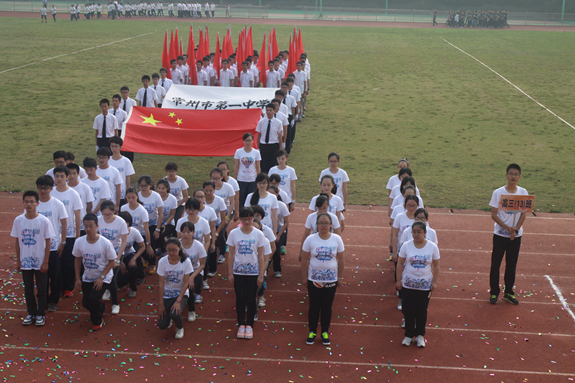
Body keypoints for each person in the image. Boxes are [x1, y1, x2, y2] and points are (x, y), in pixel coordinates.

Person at [301, 212, 345, 346]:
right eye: (321, 223)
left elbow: (341, 259)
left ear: (331, 225)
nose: (324, 226)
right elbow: (304, 259)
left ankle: (325, 331)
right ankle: (312, 331)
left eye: (326, 223)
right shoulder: (310, 239)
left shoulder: (337, 239)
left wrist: (340, 277)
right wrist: (304, 277)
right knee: (314, 306)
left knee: (327, 306)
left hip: (331, 279)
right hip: (314, 279)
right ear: (317, 225)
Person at [11, 191, 54, 326]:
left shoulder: (44, 221)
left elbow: (48, 242)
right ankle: (31, 312)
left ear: (37, 203)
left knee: (42, 289)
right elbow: (17, 241)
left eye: (32, 202)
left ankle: (40, 314)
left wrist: (46, 261)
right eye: (26, 202)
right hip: (25, 261)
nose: (29, 204)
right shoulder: (19, 220)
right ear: (23, 203)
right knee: (28, 289)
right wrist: (18, 260)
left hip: (40, 260)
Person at [396, 221, 440, 347]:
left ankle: (420, 335)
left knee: (421, 311)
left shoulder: (432, 247)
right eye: (414, 232)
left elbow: (436, 266)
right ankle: (409, 335)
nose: (416, 234)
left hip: (425, 285)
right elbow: (400, 264)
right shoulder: (406, 246)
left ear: (425, 232)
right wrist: (398, 281)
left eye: (419, 232)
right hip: (408, 284)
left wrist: (435, 282)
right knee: (408, 310)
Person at [489, 164, 528, 305]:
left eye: (516, 174)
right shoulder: (498, 193)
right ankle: (494, 293)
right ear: (506, 175)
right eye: (510, 173)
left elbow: (524, 214)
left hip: (516, 236)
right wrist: (507, 228)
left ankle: (509, 293)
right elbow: (494, 215)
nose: (513, 176)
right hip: (500, 235)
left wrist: (516, 229)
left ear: (519, 177)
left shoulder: (523, 192)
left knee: (511, 265)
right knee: (495, 264)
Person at [227, 207, 266, 340]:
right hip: (238, 272)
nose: (247, 221)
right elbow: (231, 254)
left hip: (253, 272)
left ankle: (249, 324)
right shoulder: (233, 233)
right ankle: (241, 324)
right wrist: (230, 273)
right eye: (244, 219)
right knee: (240, 299)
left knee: (251, 299)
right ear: (241, 219)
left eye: (249, 218)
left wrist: (261, 275)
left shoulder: (258, 234)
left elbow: (261, 256)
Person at [73, 214, 117, 331]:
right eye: (86, 226)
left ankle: (97, 321)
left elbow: (112, 261)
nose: (88, 229)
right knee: (86, 303)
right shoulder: (79, 242)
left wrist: (102, 277)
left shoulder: (105, 243)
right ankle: (100, 307)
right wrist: (77, 278)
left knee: (92, 299)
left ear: (97, 226)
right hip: (88, 277)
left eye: (91, 226)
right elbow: (77, 259)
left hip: (104, 277)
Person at [49, 166, 83, 304]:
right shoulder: (52, 194)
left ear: (67, 177)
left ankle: (69, 286)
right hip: (55, 234)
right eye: (57, 176)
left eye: (62, 176)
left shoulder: (73, 194)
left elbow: (78, 215)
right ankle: (59, 286)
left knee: (68, 261)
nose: (59, 179)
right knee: (57, 262)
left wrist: (77, 235)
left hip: (69, 234)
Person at [157, 238, 192, 339]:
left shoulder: (186, 261)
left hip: (181, 293)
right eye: (169, 250)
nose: (171, 252)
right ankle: (169, 318)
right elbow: (161, 283)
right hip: (167, 294)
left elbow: (186, 282)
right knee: (162, 325)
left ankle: (180, 327)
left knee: (175, 313)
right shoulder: (162, 262)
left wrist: (179, 300)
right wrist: (161, 303)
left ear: (179, 249)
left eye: (174, 250)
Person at [98, 200, 128, 314]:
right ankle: (107, 289)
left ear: (114, 212)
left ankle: (115, 303)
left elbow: (124, 242)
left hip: (116, 251)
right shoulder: (99, 220)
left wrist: (117, 258)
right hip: (103, 252)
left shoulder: (121, 222)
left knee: (112, 278)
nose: (107, 217)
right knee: (104, 275)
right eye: (104, 214)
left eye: (109, 214)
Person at [391, 195, 420, 311]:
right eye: (409, 205)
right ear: (405, 205)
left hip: (415, 253)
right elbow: (394, 234)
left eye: (414, 205)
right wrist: (394, 251)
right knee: (402, 275)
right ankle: (401, 298)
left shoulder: (419, 218)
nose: (411, 208)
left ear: (417, 206)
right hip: (402, 251)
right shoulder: (400, 217)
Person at [179, 221, 206, 322]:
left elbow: (202, 264)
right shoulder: (177, 244)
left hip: (195, 271)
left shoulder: (198, 245)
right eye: (183, 232)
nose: (186, 235)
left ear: (193, 233)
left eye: (189, 232)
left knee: (189, 286)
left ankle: (191, 310)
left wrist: (192, 277)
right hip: (181, 272)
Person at [137, 175, 164, 274]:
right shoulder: (138, 196)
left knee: (151, 243)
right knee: (141, 243)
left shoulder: (156, 196)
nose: (143, 188)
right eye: (141, 186)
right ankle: (146, 259)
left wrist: (157, 229)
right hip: (141, 224)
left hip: (152, 223)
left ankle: (152, 263)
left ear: (150, 185)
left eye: (145, 186)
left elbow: (160, 214)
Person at [116, 212, 145, 297]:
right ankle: (109, 288)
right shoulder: (115, 233)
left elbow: (143, 247)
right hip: (116, 255)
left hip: (128, 253)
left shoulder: (134, 232)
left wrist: (134, 258)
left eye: (126, 222)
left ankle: (132, 287)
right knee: (120, 276)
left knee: (133, 267)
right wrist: (121, 263)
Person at [202, 181, 227, 278]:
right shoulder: (200, 200)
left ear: (214, 190)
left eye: (210, 190)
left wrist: (216, 234)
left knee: (214, 243)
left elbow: (223, 220)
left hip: (217, 225)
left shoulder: (219, 200)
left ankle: (212, 268)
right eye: (206, 190)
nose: (208, 193)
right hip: (204, 226)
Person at [267, 185, 289, 278]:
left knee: (275, 249)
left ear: (277, 195)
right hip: (267, 230)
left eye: (273, 194)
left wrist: (278, 235)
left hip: (279, 231)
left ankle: (277, 269)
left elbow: (286, 223)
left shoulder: (282, 205)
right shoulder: (264, 205)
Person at [234, 133, 261, 208]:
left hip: (252, 179)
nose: (248, 142)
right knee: (241, 198)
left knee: (251, 199)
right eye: (246, 140)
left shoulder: (256, 152)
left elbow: (258, 167)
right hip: (241, 179)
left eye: (249, 140)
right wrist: (234, 179)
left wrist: (259, 179)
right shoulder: (238, 152)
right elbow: (236, 166)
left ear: (252, 141)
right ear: (243, 141)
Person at [66, 162, 94, 235]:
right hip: (67, 225)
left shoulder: (85, 188)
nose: (72, 176)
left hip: (82, 225)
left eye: (74, 173)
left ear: (78, 174)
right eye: (69, 174)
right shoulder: (62, 188)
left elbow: (89, 204)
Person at [256, 104, 283, 174]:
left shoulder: (278, 123)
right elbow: (259, 135)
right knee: (264, 164)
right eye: (267, 110)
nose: (269, 112)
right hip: (264, 145)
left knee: (273, 164)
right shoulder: (261, 122)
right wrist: (258, 147)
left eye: (270, 110)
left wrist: (280, 149)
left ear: (274, 111)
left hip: (273, 145)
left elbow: (280, 136)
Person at [96, 147, 123, 213]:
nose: (101, 160)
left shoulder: (114, 171)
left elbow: (118, 189)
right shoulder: (94, 170)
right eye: (99, 157)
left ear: (108, 158)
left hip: (110, 202)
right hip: (97, 203)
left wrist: (117, 205)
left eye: (104, 158)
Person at [156, 179, 177, 256]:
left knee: (161, 233)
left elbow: (172, 215)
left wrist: (165, 224)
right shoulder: (155, 197)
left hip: (168, 222)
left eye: (163, 188)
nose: (161, 190)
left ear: (167, 188)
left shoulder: (172, 199)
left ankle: (163, 247)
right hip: (157, 222)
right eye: (159, 188)